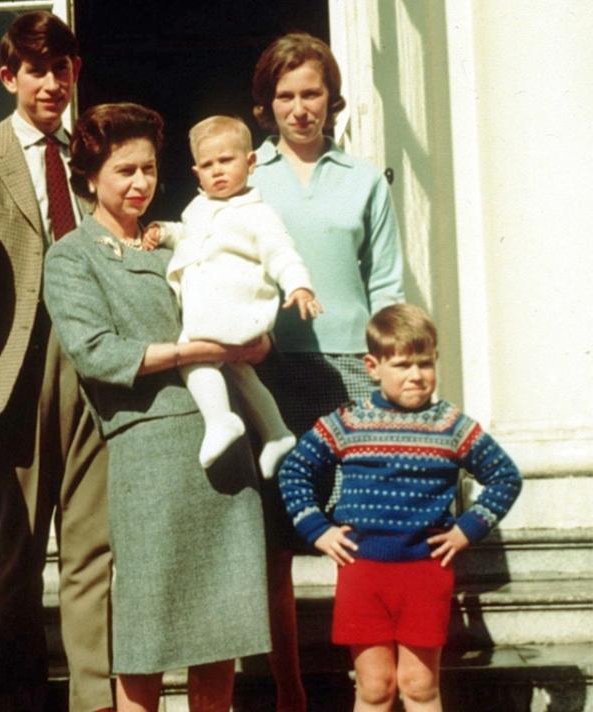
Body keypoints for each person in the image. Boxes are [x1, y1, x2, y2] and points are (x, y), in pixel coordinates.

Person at [43, 102, 271, 712]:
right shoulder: (72, 255)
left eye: (148, 169)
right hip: (146, 453)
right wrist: (187, 350)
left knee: (221, 629)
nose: (141, 183)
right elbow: (95, 352)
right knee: (143, 637)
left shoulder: (181, 238)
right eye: (124, 171)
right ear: (90, 175)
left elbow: (245, 293)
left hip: (225, 453)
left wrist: (258, 338)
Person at [0, 12, 113, 712]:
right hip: (15, 369)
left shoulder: (97, 153)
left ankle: (94, 697)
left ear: (76, 73)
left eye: (62, 68)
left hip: (96, 366)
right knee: (19, 546)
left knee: (93, 544)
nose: (51, 82)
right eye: (36, 70)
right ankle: (20, 695)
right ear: (9, 76)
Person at [249, 31, 406, 710]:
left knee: (357, 536)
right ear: (267, 104)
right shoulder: (247, 179)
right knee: (278, 540)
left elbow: (390, 287)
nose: (299, 107)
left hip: (351, 374)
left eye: (311, 92)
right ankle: (288, 690)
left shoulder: (366, 179)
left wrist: (391, 384)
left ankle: (365, 686)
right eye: (285, 95)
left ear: (331, 98)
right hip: (272, 374)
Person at [278, 304, 522, 711]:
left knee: (419, 686)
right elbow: (295, 471)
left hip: (425, 573)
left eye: (425, 364)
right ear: (372, 366)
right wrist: (317, 529)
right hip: (362, 571)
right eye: (403, 364)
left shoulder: (451, 425)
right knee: (375, 688)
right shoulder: (349, 422)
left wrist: (467, 529)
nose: (416, 375)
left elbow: (505, 477)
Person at [143, 115, 322, 476]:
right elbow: (190, 237)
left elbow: (281, 252)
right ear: (196, 173)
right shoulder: (198, 208)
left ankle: (220, 419)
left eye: (226, 161)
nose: (217, 172)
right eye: (207, 165)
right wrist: (164, 232)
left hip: (235, 306)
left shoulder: (258, 214)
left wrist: (299, 284)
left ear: (251, 163)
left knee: (192, 356)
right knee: (240, 371)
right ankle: (276, 432)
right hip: (218, 309)